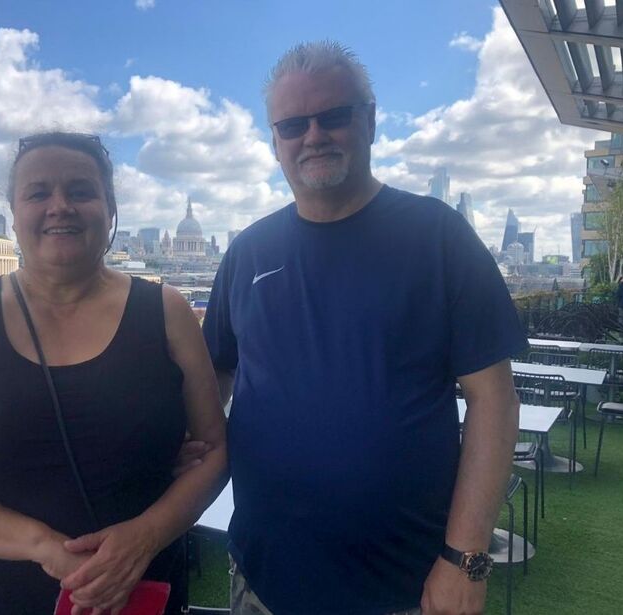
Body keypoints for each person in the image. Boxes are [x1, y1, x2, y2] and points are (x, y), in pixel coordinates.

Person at [202, 42, 525, 615]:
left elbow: (493, 400)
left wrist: (466, 559)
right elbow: (215, 379)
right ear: (274, 140)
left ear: (370, 120)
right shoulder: (247, 254)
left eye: (334, 116)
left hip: (407, 586)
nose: (313, 135)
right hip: (263, 581)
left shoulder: (438, 237)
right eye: (293, 124)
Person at [0, 131, 228, 615]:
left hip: (143, 594)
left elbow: (214, 451)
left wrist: (143, 539)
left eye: (81, 191)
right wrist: (43, 546)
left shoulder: (167, 311)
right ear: (14, 214)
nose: (59, 205)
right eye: (38, 192)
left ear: (110, 209)